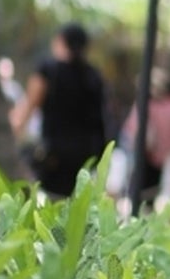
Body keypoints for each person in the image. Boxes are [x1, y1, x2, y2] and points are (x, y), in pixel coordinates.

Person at [10, 22, 108, 199]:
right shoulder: (94, 76)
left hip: (54, 157)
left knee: (50, 205)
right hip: (87, 156)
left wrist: (9, 137)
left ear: (60, 41)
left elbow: (26, 110)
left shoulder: (48, 70)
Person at [122, 73, 170, 200]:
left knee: (142, 196)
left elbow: (132, 133)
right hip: (168, 157)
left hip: (148, 157)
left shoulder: (147, 106)